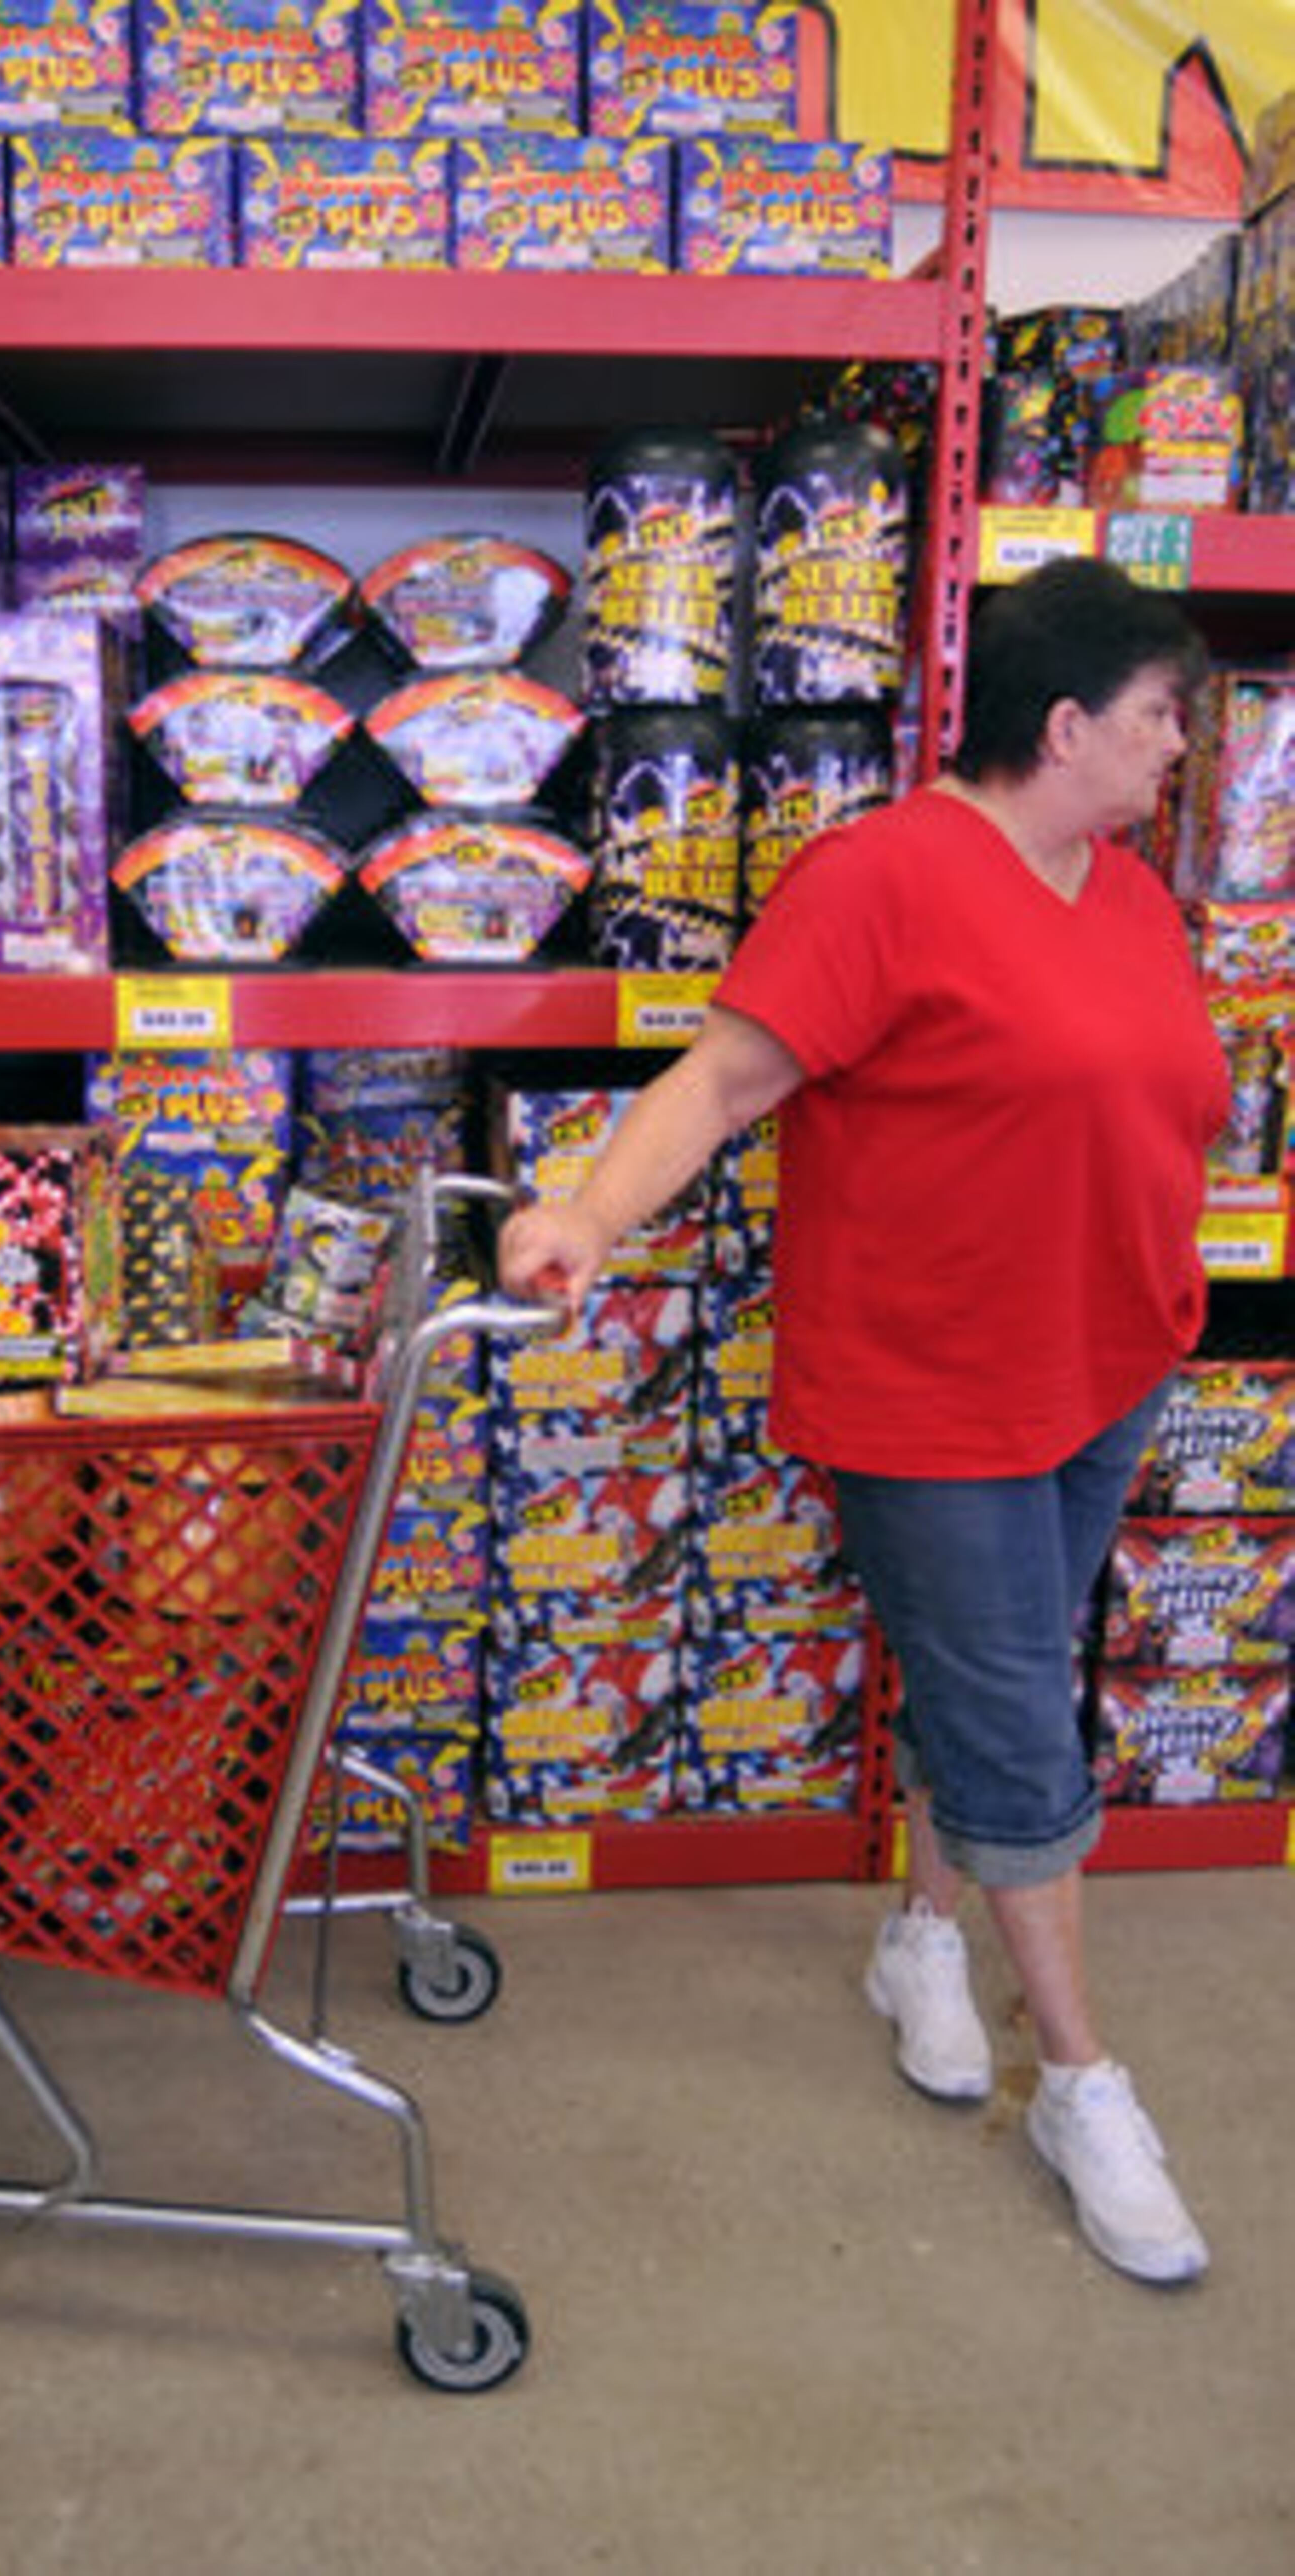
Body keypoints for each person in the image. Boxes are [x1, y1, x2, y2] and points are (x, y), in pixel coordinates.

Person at [499, 556, 1229, 2287]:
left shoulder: (1127, 893)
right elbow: (724, 1077)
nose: (1179, 749)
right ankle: (1080, 2080)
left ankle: (922, 1936)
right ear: (1064, 726)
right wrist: (587, 1220)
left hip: (1105, 1362)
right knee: (1016, 1726)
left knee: (1006, 1671)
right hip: (934, 1388)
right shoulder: (884, 877)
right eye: (1157, 717)